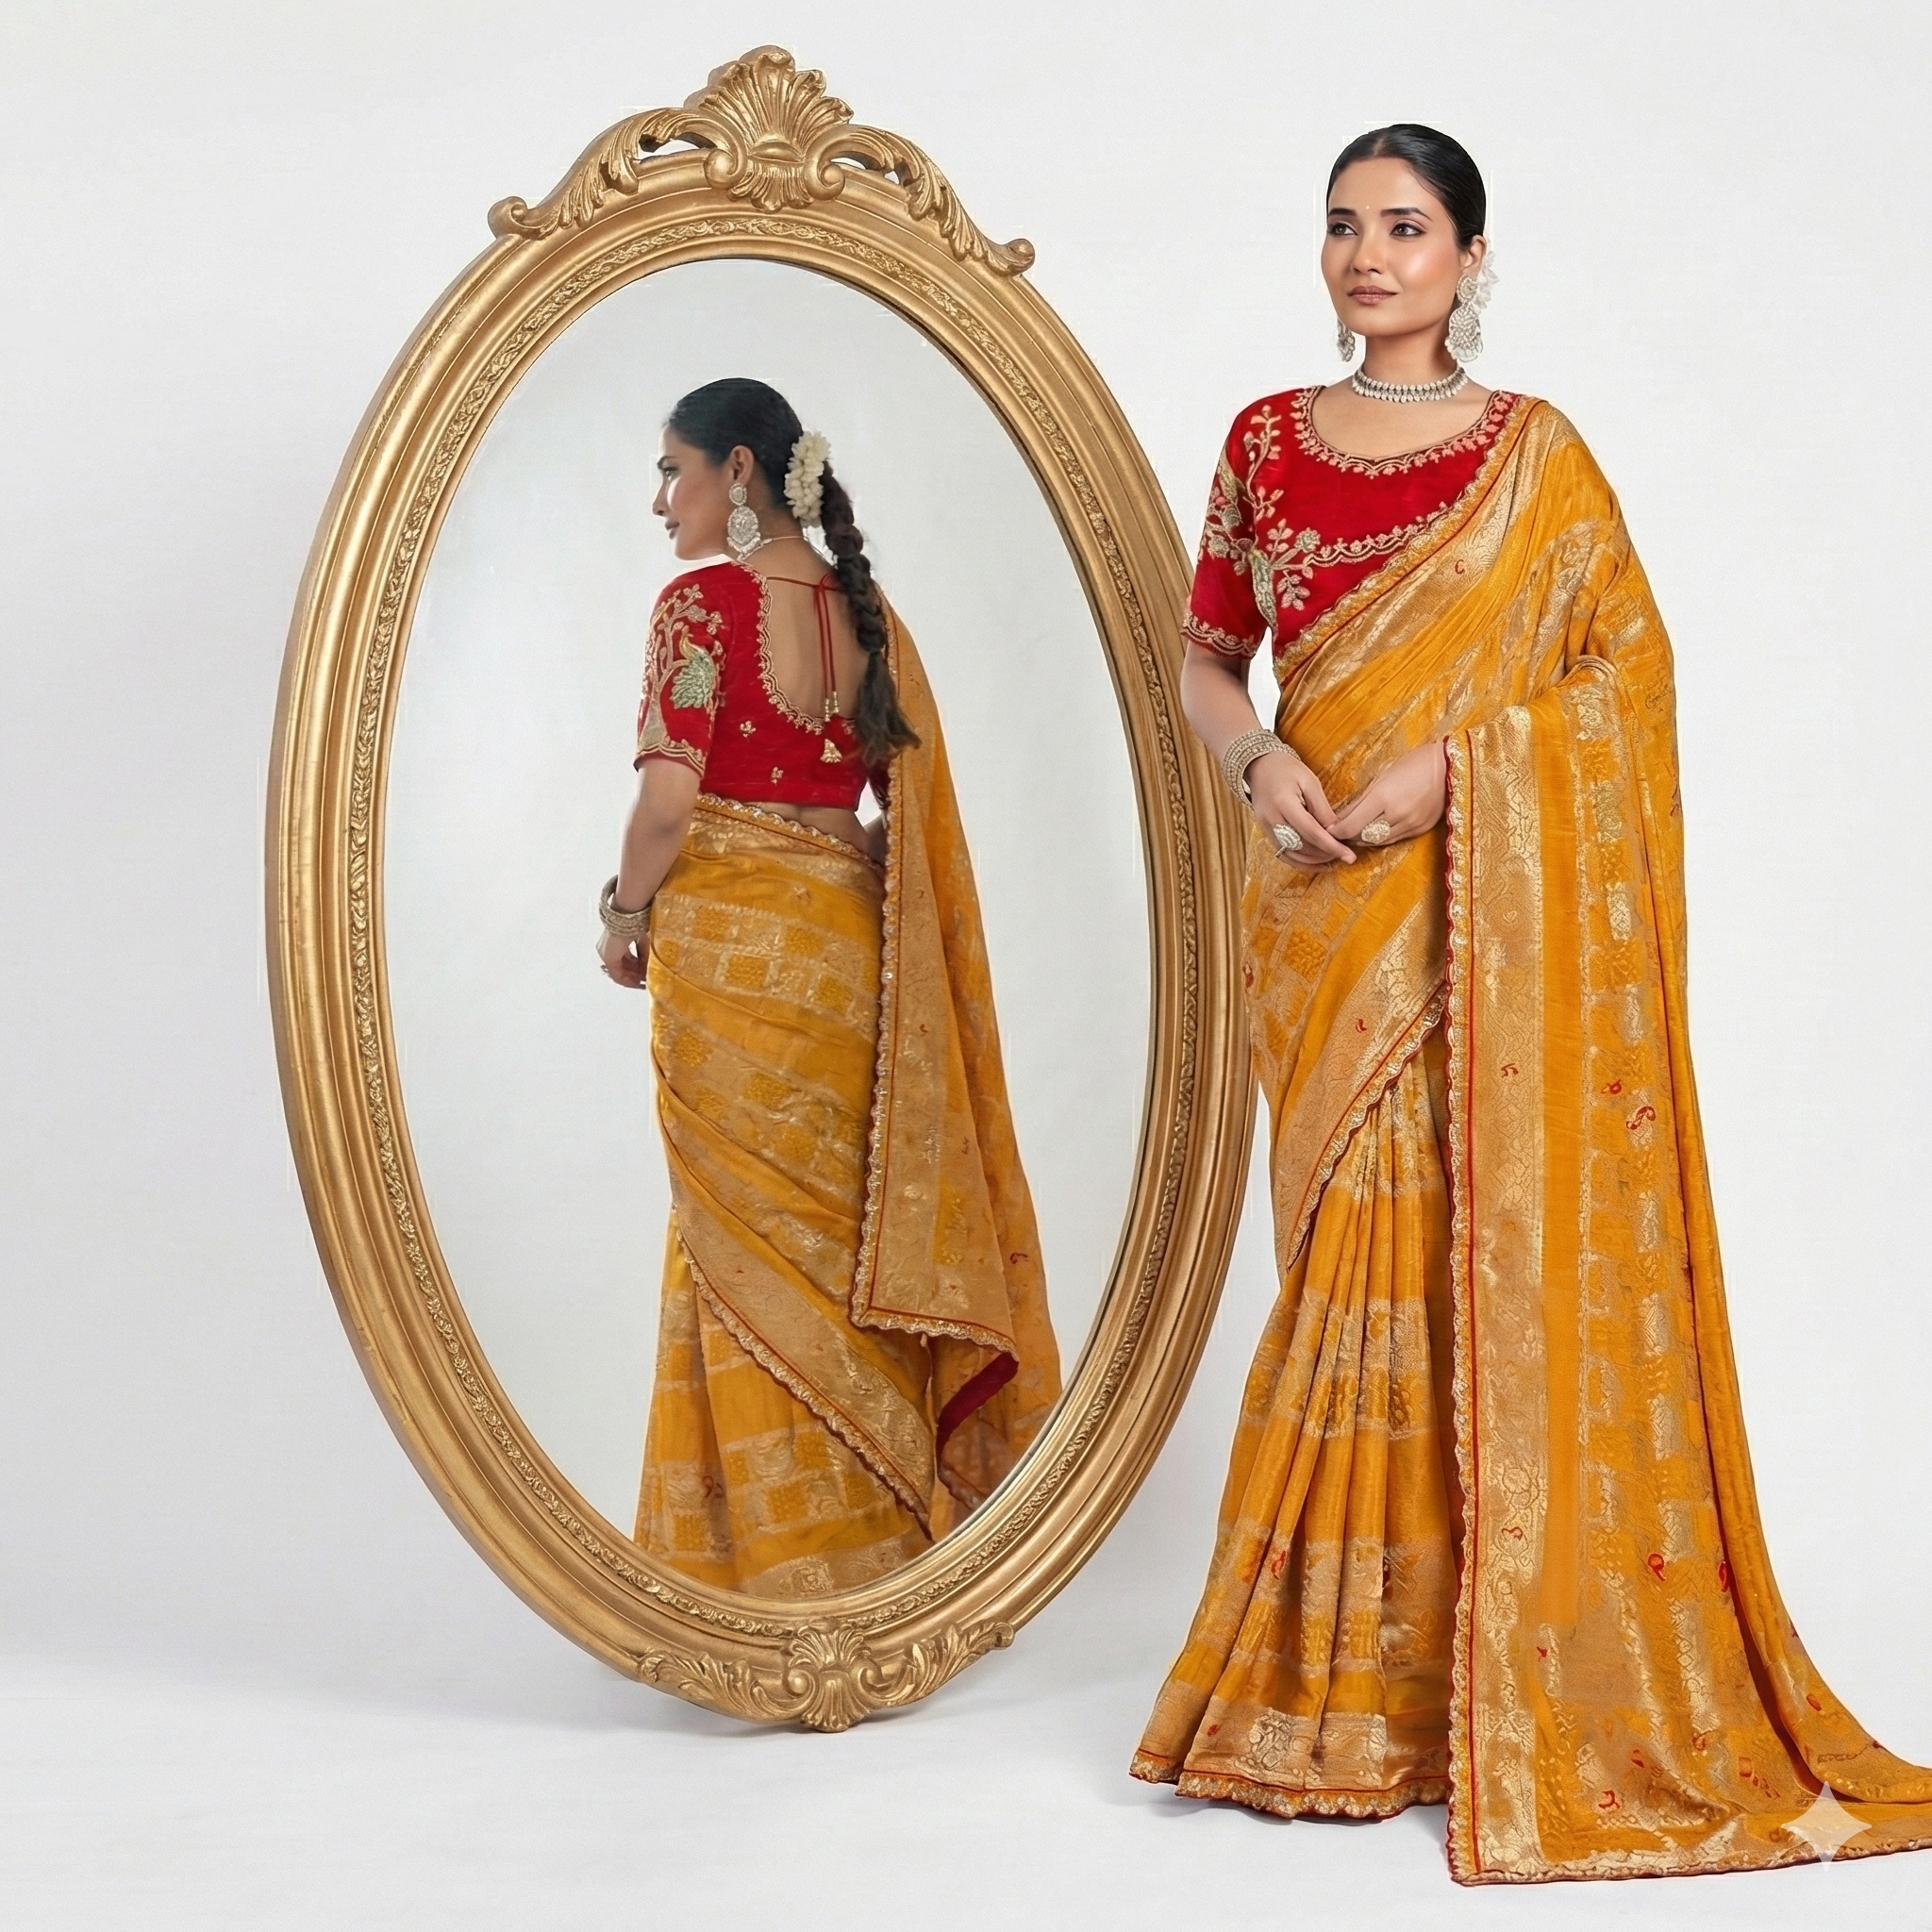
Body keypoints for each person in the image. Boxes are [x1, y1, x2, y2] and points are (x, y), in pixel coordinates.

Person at [1131, 125, 1932, 1881]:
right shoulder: (1262, 442)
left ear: (1471, 256)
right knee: (1343, 1264)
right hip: (1319, 907)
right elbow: (1203, 660)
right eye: (1343, 225)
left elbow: (1624, 676)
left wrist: (1457, 769)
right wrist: (1258, 757)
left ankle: (1477, 1687)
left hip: (1467, 904)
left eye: (1406, 227)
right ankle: (1331, 1687)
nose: (1368, 256)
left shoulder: (1537, 459)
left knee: (1462, 1253)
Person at [595, 378, 1059, 1598]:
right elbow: (900, 816)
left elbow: (667, 805)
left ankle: (761, 1572)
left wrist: (624, 914)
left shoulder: (698, 608)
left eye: (673, 470)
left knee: (738, 1243)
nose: (662, 501)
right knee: (846, 1243)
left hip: (730, 958)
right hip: (849, 959)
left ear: (739, 470)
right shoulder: (868, 614)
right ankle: (884, 1553)